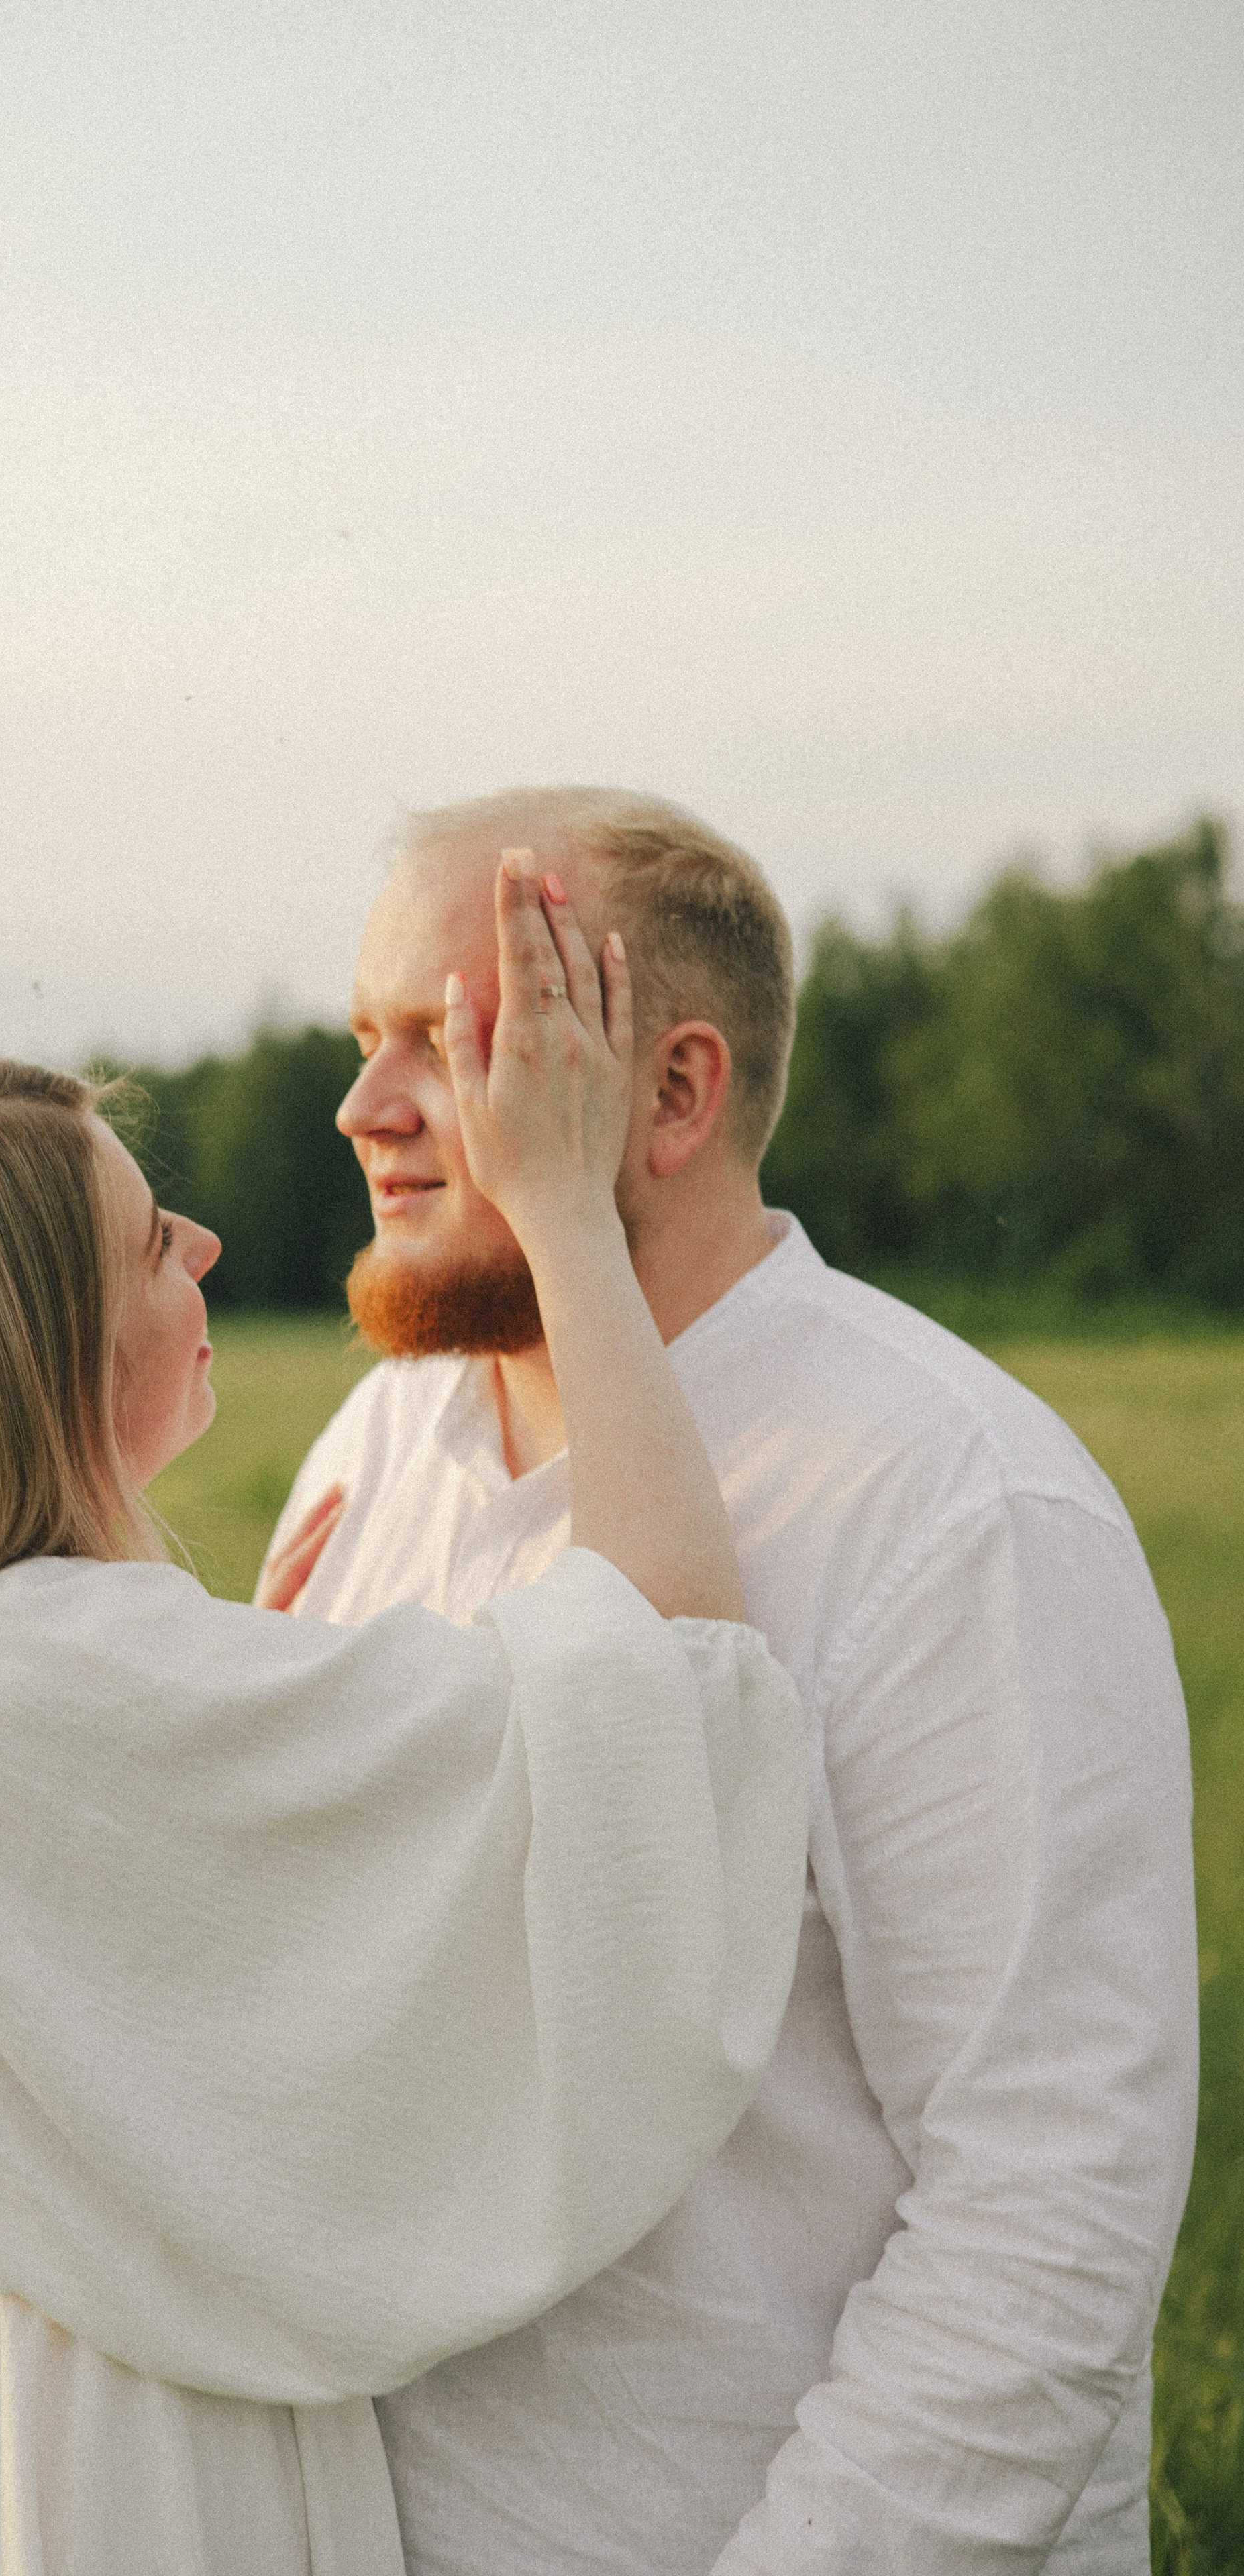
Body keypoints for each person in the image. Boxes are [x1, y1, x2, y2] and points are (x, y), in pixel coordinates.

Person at [0, 858, 809, 2576]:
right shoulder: (35, 1690)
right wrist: (567, 1214)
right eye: (153, 1240)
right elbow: (660, 1686)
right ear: (46, 1348)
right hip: (105, 2486)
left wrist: (256, 1689)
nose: (203, 1246)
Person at [264, 785, 1200, 2575]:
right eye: (361, 1040)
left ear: (672, 1093)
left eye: (447, 1041)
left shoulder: (954, 1501)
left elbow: (1044, 2212)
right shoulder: (374, 1448)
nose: (364, 1107)